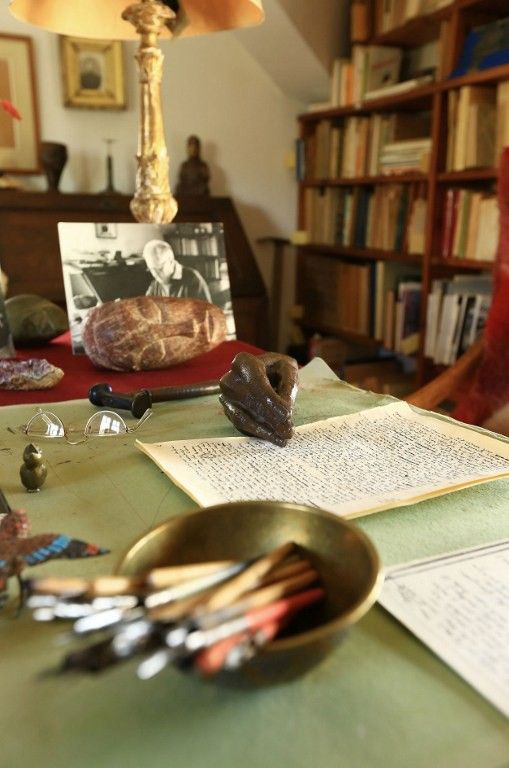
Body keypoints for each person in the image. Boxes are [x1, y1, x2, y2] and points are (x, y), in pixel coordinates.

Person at [142, 239, 212, 302]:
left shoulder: (192, 279)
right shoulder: (155, 285)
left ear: (171, 261)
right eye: (151, 269)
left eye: (160, 268)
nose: (155, 274)